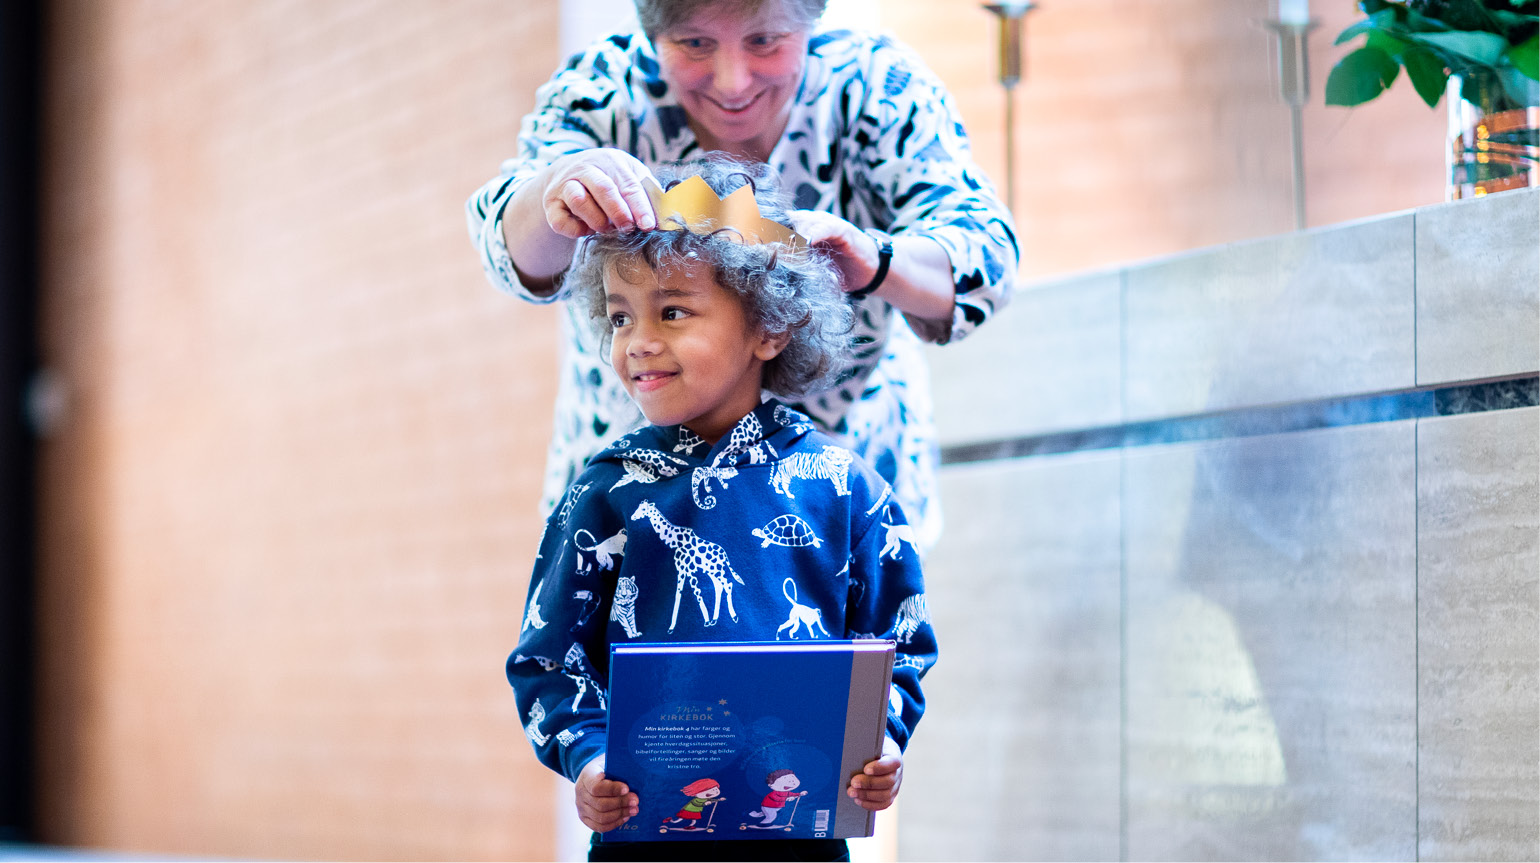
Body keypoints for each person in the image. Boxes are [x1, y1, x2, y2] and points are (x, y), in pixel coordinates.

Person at [507, 156, 938, 863]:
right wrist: (585, 760)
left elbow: (900, 639)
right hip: (644, 842)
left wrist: (881, 740)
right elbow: (548, 657)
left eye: (673, 311)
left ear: (768, 329)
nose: (638, 339)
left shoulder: (843, 486)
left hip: (802, 837)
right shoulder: (604, 492)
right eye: (620, 315)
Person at [466, 0, 1018, 551]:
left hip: (842, 481)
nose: (733, 84)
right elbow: (507, 247)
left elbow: (984, 258)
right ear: (654, 34)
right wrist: (556, 188)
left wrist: (876, 263)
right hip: (635, 493)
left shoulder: (875, 85)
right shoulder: (603, 92)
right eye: (694, 44)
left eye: (765, 41)